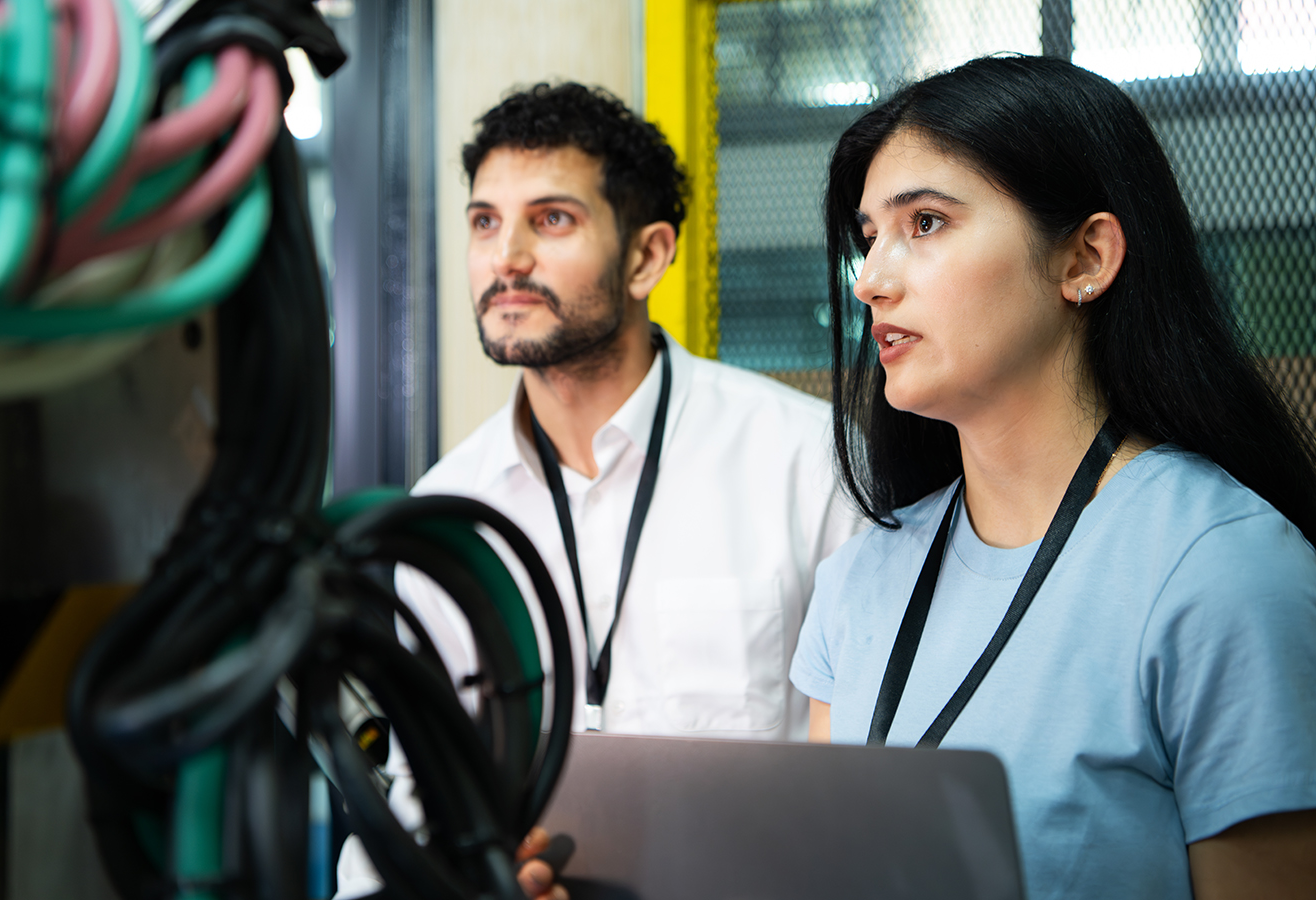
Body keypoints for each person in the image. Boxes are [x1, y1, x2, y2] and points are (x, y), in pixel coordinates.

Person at [789, 54, 1316, 899]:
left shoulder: (1225, 570)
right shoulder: (861, 579)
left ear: (1085, 257)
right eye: (868, 238)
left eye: (925, 223)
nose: (872, 282)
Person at [335, 82, 859, 899]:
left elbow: (872, 780)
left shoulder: (807, 464)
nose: (505, 256)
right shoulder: (445, 510)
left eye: (551, 219)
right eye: (484, 221)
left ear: (648, 256)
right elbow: (419, 786)